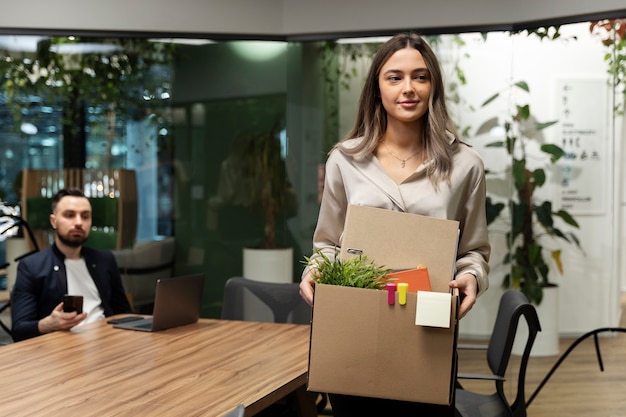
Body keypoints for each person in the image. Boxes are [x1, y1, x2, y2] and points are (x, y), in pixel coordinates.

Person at [299, 32, 491, 415]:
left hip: (428, 324)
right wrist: (316, 271)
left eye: (420, 77)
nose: (408, 88)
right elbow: (328, 243)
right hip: (357, 321)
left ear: (433, 85)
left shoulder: (465, 163)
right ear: (377, 87)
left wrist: (472, 276)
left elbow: (473, 250)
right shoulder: (346, 159)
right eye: (395, 77)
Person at [11, 188, 132, 342]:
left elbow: (125, 312)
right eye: (69, 215)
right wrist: (48, 324)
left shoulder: (104, 260)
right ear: (53, 221)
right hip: (62, 350)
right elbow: (19, 330)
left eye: (85, 216)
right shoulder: (31, 266)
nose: (79, 222)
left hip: (107, 341)